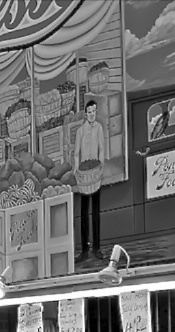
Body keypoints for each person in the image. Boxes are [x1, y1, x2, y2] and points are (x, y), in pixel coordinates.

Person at [73, 100, 106, 262]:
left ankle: (97, 248)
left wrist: (100, 166)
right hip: (84, 175)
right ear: (85, 114)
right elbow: (77, 152)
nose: (92, 114)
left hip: (95, 174)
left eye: (94, 111)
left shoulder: (99, 128)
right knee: (84, 213)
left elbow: (101, 148)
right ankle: (85, 250)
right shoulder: (80, 131)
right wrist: (76, 169)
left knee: (96, 212)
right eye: (89, 112)